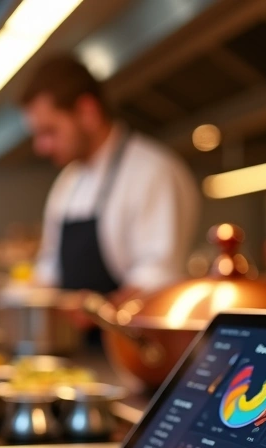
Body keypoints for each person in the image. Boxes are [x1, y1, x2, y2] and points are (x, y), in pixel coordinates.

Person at [21, 55, 200, 305]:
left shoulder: (153, 171)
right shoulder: (67, 182)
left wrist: (99, 310)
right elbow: (50, 265)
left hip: (131, 339)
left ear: (87, 112)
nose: (41, 147)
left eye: (50, 131)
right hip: (74, 341)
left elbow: (158, 277)